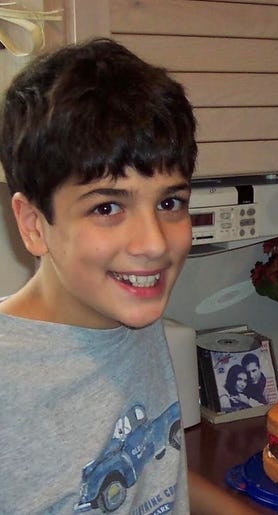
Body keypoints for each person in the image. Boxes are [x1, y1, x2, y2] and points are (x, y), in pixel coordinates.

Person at [0, 38, 257, 514]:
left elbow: (158, 479)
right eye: (108, 207)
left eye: (169, 202)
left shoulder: (128, 314)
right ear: (34, 225)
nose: (155, 243)